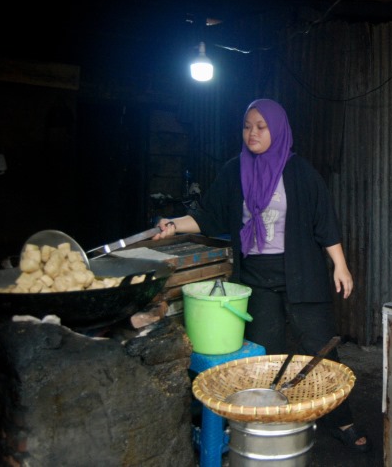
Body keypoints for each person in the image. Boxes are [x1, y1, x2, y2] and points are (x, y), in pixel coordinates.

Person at [153, 98, 370, 453]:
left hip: (301, 272)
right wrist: (173, 225)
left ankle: (342, 419)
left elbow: (324, 222)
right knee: (264, 355)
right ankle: (271, 424)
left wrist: (340, 265)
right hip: (255, 275)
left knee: (319, 348)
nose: (252, 133)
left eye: (261, 126)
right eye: (247, 126)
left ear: (278, 129)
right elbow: (210, 216)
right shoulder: (233, 170)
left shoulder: (299, 172)